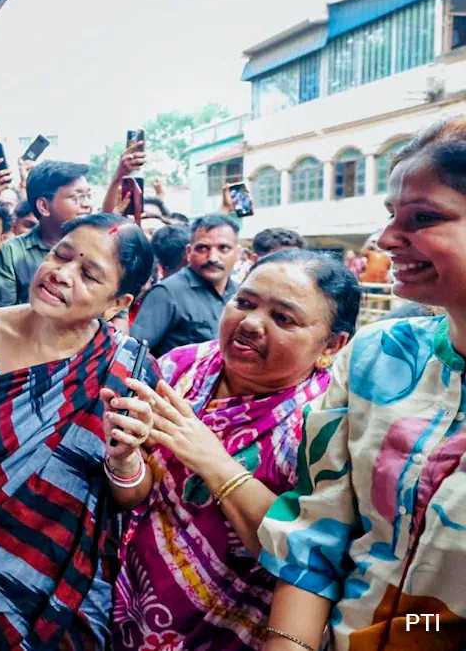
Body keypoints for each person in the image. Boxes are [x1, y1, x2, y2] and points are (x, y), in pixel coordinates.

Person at [259, 117, 466, 651]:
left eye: (423, 217)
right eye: (391, 215)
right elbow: (317, 532)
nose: (385, 239)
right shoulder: (377, 357)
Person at [0, 214, 159, 651]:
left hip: (66, 588)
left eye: (88, 274)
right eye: (60, 255)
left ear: (118, 302)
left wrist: (125, 459)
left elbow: (131, 497)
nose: (61, 274)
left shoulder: (128, 370)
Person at [111, 250, 359, 650]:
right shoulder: (180, 368)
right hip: (123, 597)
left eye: (283, 318)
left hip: (228, 627)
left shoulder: (326, 426)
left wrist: (215, 463)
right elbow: (134, 495)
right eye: (244, 302)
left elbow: (310, 558)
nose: (250, 323)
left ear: (332, 344)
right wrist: (123, 460)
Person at [0, 161, 92, 308]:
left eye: (88, 196)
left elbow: (113, 312)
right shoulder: (11, 253)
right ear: (44, 206)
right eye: (77, 197)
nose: (87, 204)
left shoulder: (98, 249)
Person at [132, 214, 241, 357]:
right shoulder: (167, 293)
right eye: (203, 248)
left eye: (223, 248)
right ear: (189, 252)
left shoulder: (241, 294)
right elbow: (135, 353)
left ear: (237, 253)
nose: (213, 258)